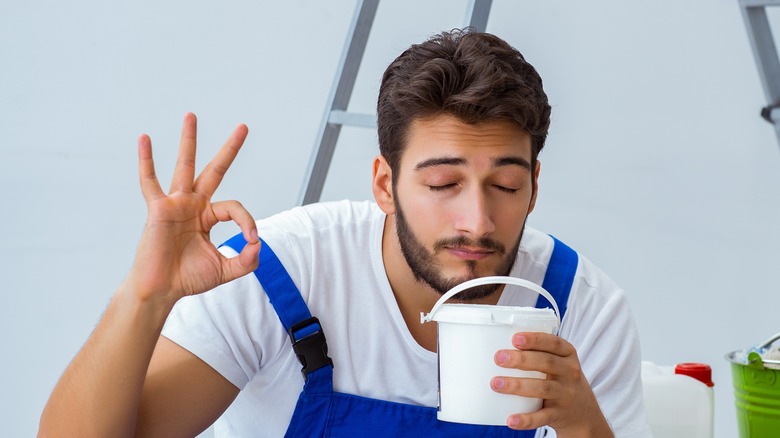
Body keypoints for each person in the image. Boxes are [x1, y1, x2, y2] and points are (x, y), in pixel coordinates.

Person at [39, 29, 651, 437]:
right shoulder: (280, 273)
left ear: (535, 189)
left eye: (507, 187)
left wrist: (584, 426)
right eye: (442, 185)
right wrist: (143, 298)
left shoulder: (580, 310)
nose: (477, 221)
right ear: (384, 185)